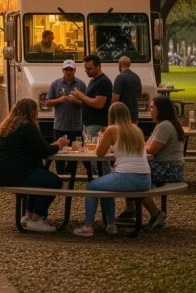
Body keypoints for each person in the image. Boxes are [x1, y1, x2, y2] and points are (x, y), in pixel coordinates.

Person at [0, 99, 67, 232]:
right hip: (13, 171)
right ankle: (36, 219)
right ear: (33, 112)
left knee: (39, 177)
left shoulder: (10, 125)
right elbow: (44, 151)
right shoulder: (27, 127)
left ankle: (29, 215)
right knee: (53, 182)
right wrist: (58, 144)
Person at [74, 102, 151, 237]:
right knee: (105, 186)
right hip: (145, 179)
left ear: (111, 115)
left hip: (126, 177)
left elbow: (99, 153)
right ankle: (110, 224)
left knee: (91, 186)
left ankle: (88, 226)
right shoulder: (136, 129)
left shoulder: (112, 129)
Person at [140, 96, 185, 230]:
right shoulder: (164, 124)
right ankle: (131, 210)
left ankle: (156, 213)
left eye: (152, 107)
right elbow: (148, 146)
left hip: (169, 169)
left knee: (132, 175)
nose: (150, 110)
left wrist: (135, 147)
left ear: (161, 110)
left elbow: (152, 150)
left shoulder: (165, 125)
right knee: (130, 172)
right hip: (170, 167)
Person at [71, 54, 112, 174]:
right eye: (85, 68)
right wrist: (78, 100)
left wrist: (81, 96)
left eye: (89, 68)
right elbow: (89, 102)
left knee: (97, 157)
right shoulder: (93, 81)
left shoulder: (103, 82)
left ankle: (105, 180)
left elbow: (99, 103)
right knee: (92, 157)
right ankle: (98, 181)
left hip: (97, 124)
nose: (87, 71)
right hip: (88, 124)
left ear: (98, 67)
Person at [45, 60, 85, 174]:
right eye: (66, 69)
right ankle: (60, 175)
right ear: (63, 70)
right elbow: (47, 102)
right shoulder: (55, 84)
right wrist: (58, 100)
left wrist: (77, 101)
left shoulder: (81, 84)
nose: (68, 72)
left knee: (75, 153)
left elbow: (87, 104)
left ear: (75, 70)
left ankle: (70, 176)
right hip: (60, 125)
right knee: (59, 152)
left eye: (71, 69)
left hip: (76, 126)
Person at [113, 56, 141, 124]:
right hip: (134, 112)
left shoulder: (120, 78)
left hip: (122, 113)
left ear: (120, 64)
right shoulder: (136, 77)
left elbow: (115, 98)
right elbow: (139, 93)